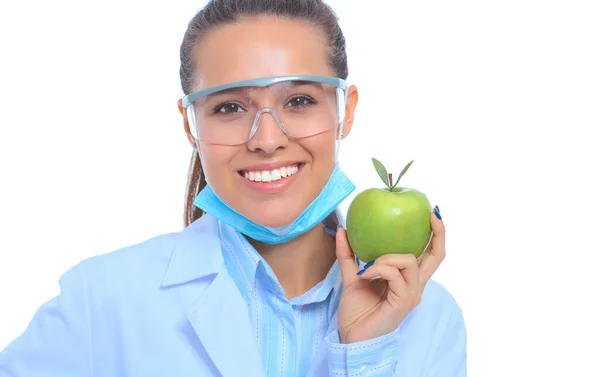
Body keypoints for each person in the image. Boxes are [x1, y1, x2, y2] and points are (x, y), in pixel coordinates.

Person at [0, 0, 466, 376]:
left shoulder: (428, 318)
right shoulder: (100, 301)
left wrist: (365, 358)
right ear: (190, 123)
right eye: (228, 108)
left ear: (346, 111)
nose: (266, 140)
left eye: (300, 100)